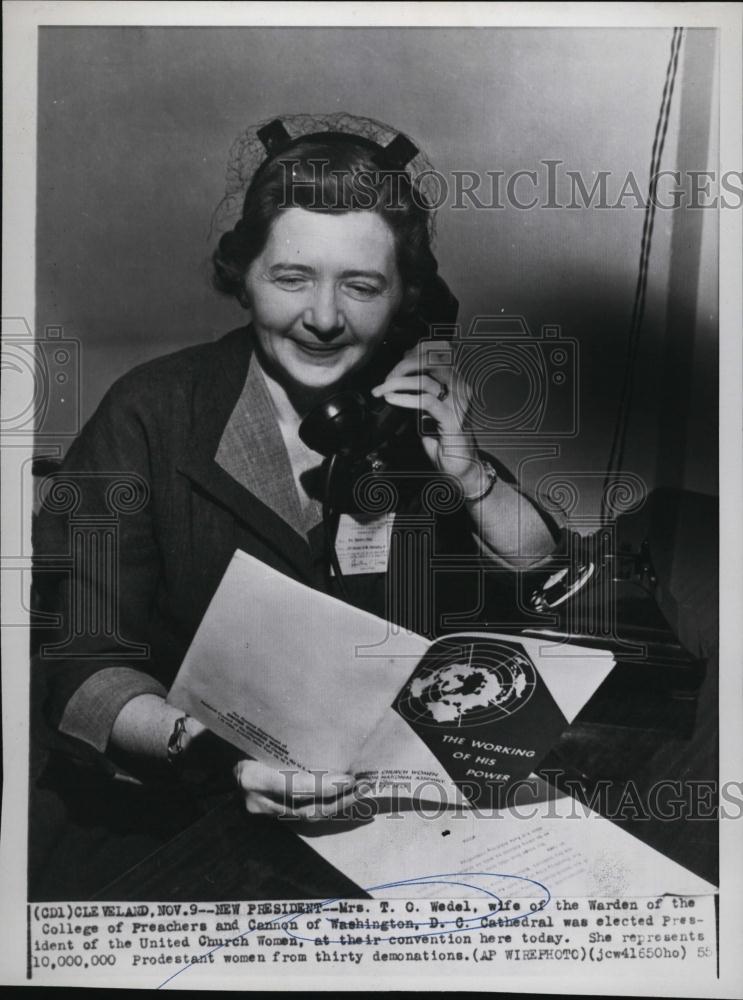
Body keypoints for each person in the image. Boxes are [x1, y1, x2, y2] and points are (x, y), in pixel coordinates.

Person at [31, 113, 562, 883]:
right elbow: (81, 664)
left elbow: (537, 571)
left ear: (406, 301)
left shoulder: (403, 417)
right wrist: (212, 757)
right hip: (176, 809)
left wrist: (466, 469)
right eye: (291, 278)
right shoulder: (152, 410)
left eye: (361, 286)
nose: (322, 318)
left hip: (374, 809)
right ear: (242, 277)